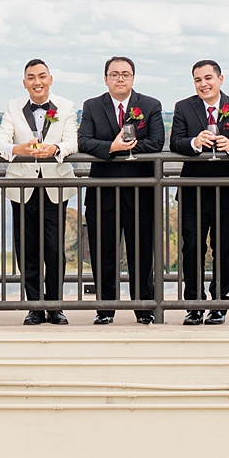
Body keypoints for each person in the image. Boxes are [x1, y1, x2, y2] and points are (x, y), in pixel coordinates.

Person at [77, 56, 165, 325]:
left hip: (141, 192)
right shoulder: (92, 106)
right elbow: (84, 141)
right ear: (105, 79)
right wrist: (111, 149)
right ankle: (105, 309)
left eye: (125, 74)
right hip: (103, 192)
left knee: (141, 253)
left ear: (133, 78)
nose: (120, 79)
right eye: (114, 74)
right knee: (103, 254)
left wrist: (126, 146)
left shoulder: (150, 106)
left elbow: (157, 142)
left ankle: (144, 308)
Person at [168, 60, 229, 324]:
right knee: (192, 248)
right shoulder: (183, 107)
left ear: (220, 79)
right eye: (197, 80)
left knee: (225, 249)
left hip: (227, 190)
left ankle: (219, 301)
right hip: (192, 190)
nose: (203, 84)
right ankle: (193, 304)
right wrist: (195, 143)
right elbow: (175, 141)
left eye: (208, 78)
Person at [0, 59, 78, 325]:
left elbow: (72, 141)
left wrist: (55, 150)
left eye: (42, 76)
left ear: (50, 79)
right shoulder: (12, 107)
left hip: (54, 186)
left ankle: (55, 306)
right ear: (24, 82)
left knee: (54, 249)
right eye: (31, 77)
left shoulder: (67, 107)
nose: (37, 82)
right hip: (22, 187)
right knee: (26, 249)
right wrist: (18, 150)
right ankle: (34, 307)